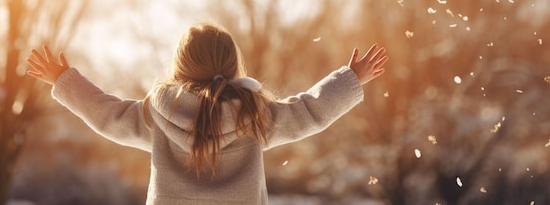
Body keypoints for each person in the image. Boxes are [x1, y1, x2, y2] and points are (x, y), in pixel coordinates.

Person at [26, 21, 388, 205]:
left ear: (180, 66)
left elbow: (108, 115)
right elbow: (309, 111)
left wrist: (64, 80)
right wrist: (351, 79)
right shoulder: (254, 114)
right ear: (233, 65)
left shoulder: (159, 112)